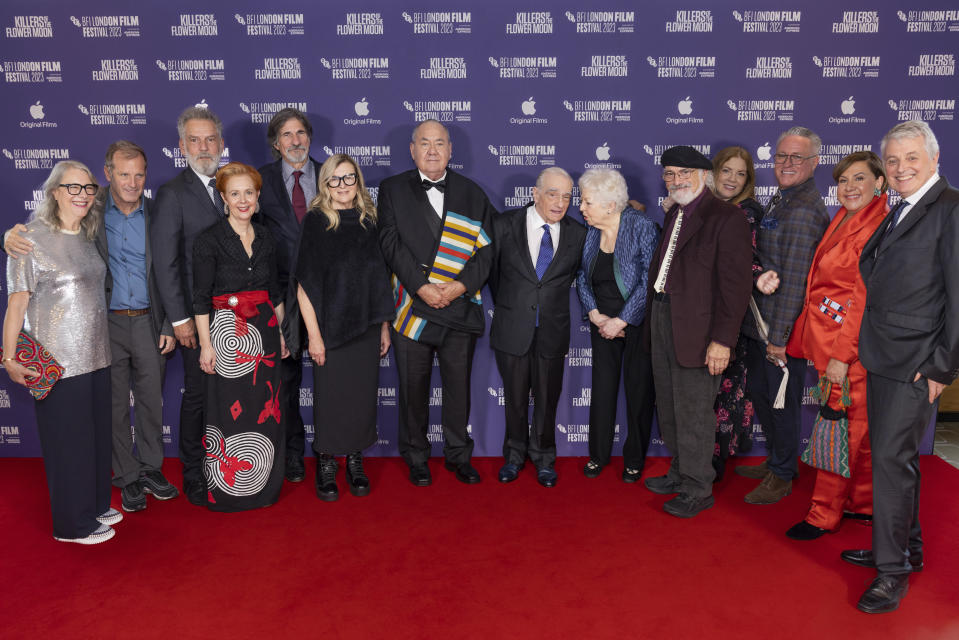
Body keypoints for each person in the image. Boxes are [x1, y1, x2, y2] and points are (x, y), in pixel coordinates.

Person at [3, 142, 180, 512]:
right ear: (108, 174)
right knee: (114, 405)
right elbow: (45, 232)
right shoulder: (90, 207)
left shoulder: (160, 210)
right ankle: (126, 476)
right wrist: (7, 236)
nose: (132, 182)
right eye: (123, 173)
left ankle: (150, 468)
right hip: (105, 325)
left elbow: (172, 267)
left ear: (146, 176)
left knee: (151, 401)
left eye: (139, 174)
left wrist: (168, 320)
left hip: (150, 320)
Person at [844, 121, 959, 613]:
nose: (900, 167)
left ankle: (892, 573)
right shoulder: (901, 208)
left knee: (892, 461)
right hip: (885, 354)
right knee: (895, 461)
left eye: (911, 157)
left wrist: (940, 368)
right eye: (892, 160)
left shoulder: (951, 210)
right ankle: (903, 550)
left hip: (916, 363)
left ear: (934, 158)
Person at [3, 161, 117, 543]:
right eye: (73, 188)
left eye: (88, 188)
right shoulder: (28, 240)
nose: (83, 195)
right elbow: (16, 306)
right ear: (54, 192)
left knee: (97, 439)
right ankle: (72, 526)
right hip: (58, 361)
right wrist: (8, 358)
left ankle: (97, 504)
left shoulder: (88, 235)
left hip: (98, 355)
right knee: (69, 446)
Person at [378, 119, 495, 486]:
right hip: (412, 308)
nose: (432, 150)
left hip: (458, 308)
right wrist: (421, 287)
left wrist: (460, 287)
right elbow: (389, 243)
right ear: (412, 150)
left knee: (458, 388)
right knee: (413, 390)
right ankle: (416, 456)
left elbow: (487, 252)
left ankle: (459, 455)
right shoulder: (392, 189)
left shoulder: (473, 193)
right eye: (424, 143)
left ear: (451, 150)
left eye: (439, 143)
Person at [642, 146, 753, 518]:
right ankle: (680, 470)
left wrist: (722, 340)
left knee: (693, 411)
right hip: (662, 317)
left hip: (699, 329)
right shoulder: (676, 212)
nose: (676, 181)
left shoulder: (726, 218)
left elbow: (735, 287)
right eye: (670, 174)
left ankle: (697, 486)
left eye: (684, 174)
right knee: (671, 407)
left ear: (704, 175)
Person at [784, 151, 888, 540]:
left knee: (837, 430)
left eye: (859, 179)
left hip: (848, 352)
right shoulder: (844, 218)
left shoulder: (876, 227)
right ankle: (863, 504)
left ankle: (822, 514)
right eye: (843, 181)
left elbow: (861, 301)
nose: (848, 188)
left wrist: (842, 358)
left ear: (880, 182)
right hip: (827, 343)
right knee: (856, 429)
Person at [737, 126, 830, 505]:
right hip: (761, 324)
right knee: (762, 394)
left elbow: (793, 282)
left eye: (797, 157)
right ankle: (777, 459)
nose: (786, 163)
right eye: (781, 156)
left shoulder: (805, 209)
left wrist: (779, 338)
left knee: (781, 403)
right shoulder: (784, 198)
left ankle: (782, 473)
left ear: (814, 162)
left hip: (780, 330)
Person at [293, 154, 393, 501]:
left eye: (349, 178)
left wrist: (383, 326)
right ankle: (325, 460)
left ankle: (354, 459)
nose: (343, 186)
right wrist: (314, 336)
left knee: (361, 398)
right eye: (335, 179)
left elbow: (379, 279)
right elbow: (304, 284)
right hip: (330, 329)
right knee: (331, 399)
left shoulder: (370, 220)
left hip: (366, 326)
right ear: (324, 184)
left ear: (358, 181)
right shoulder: (317, 221)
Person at [192, 161, 288, 511]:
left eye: (249, 192)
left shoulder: (267, 236)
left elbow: (275, 291)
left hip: (265, 332)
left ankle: (264, 487)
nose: (243, 199)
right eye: (235, 193)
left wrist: (283, 336)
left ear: (258, 195)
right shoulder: (209, 240)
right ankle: (227, 490)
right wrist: (205, 345)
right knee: (227, 414)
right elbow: (201, 297)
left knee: (265, 409)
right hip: (226, 335)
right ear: (223, 198)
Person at [489, 167, 586, 488]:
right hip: (512, 328)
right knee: (514, 399)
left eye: (567, 196)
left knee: (547, 400)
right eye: (553, 194)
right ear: (535, 193)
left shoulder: (577, 233)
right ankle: (514, 456)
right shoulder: (504, 225)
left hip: (552, 332)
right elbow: (491, 275)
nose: (560, 203)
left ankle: (544, 457)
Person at [151, 105, 228, 506]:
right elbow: (166, 262)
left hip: (236, 317)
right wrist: (178, 319)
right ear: (182, 146)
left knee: (228, 394)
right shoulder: (172, 193)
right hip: (195, 318)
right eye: (195, 140)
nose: (204, 147)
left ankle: (226, 465)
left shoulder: (236, 183)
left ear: (221, 142)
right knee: (198, 393)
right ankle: (194, 471)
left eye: (210, 139)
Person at [575, 168, 658, 482]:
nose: (581, 208)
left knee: (639, 391)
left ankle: (634, 459)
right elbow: (583, 276)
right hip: (602, 323)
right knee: (603, 390)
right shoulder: (592, 230)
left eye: (587, 202)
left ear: (610, 204)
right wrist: (595, 314)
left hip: (637, 322)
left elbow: (649, 281)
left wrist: (622, 320)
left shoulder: (642, 227)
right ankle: (597, 455)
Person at [256, 108, 320, 483]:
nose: (295, 141)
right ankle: (293, 453)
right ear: (276, 144)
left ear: (309, 137)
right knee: (287, 381)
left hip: (327, 292)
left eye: (301, 133)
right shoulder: (259, 181)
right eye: (287, 135)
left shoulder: (333, 175)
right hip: (279, 295)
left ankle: (332, 450)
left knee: (332, 377)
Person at [709, 147, 765, 480]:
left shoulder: (747, 213)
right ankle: (704, 460)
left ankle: (714, 464)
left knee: (726, 391)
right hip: (706, 315)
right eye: (726, 171)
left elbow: (744, 266)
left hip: (732, 318)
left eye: (740, 173)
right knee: (711, 391)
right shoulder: (711, 209)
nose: (732, 179)